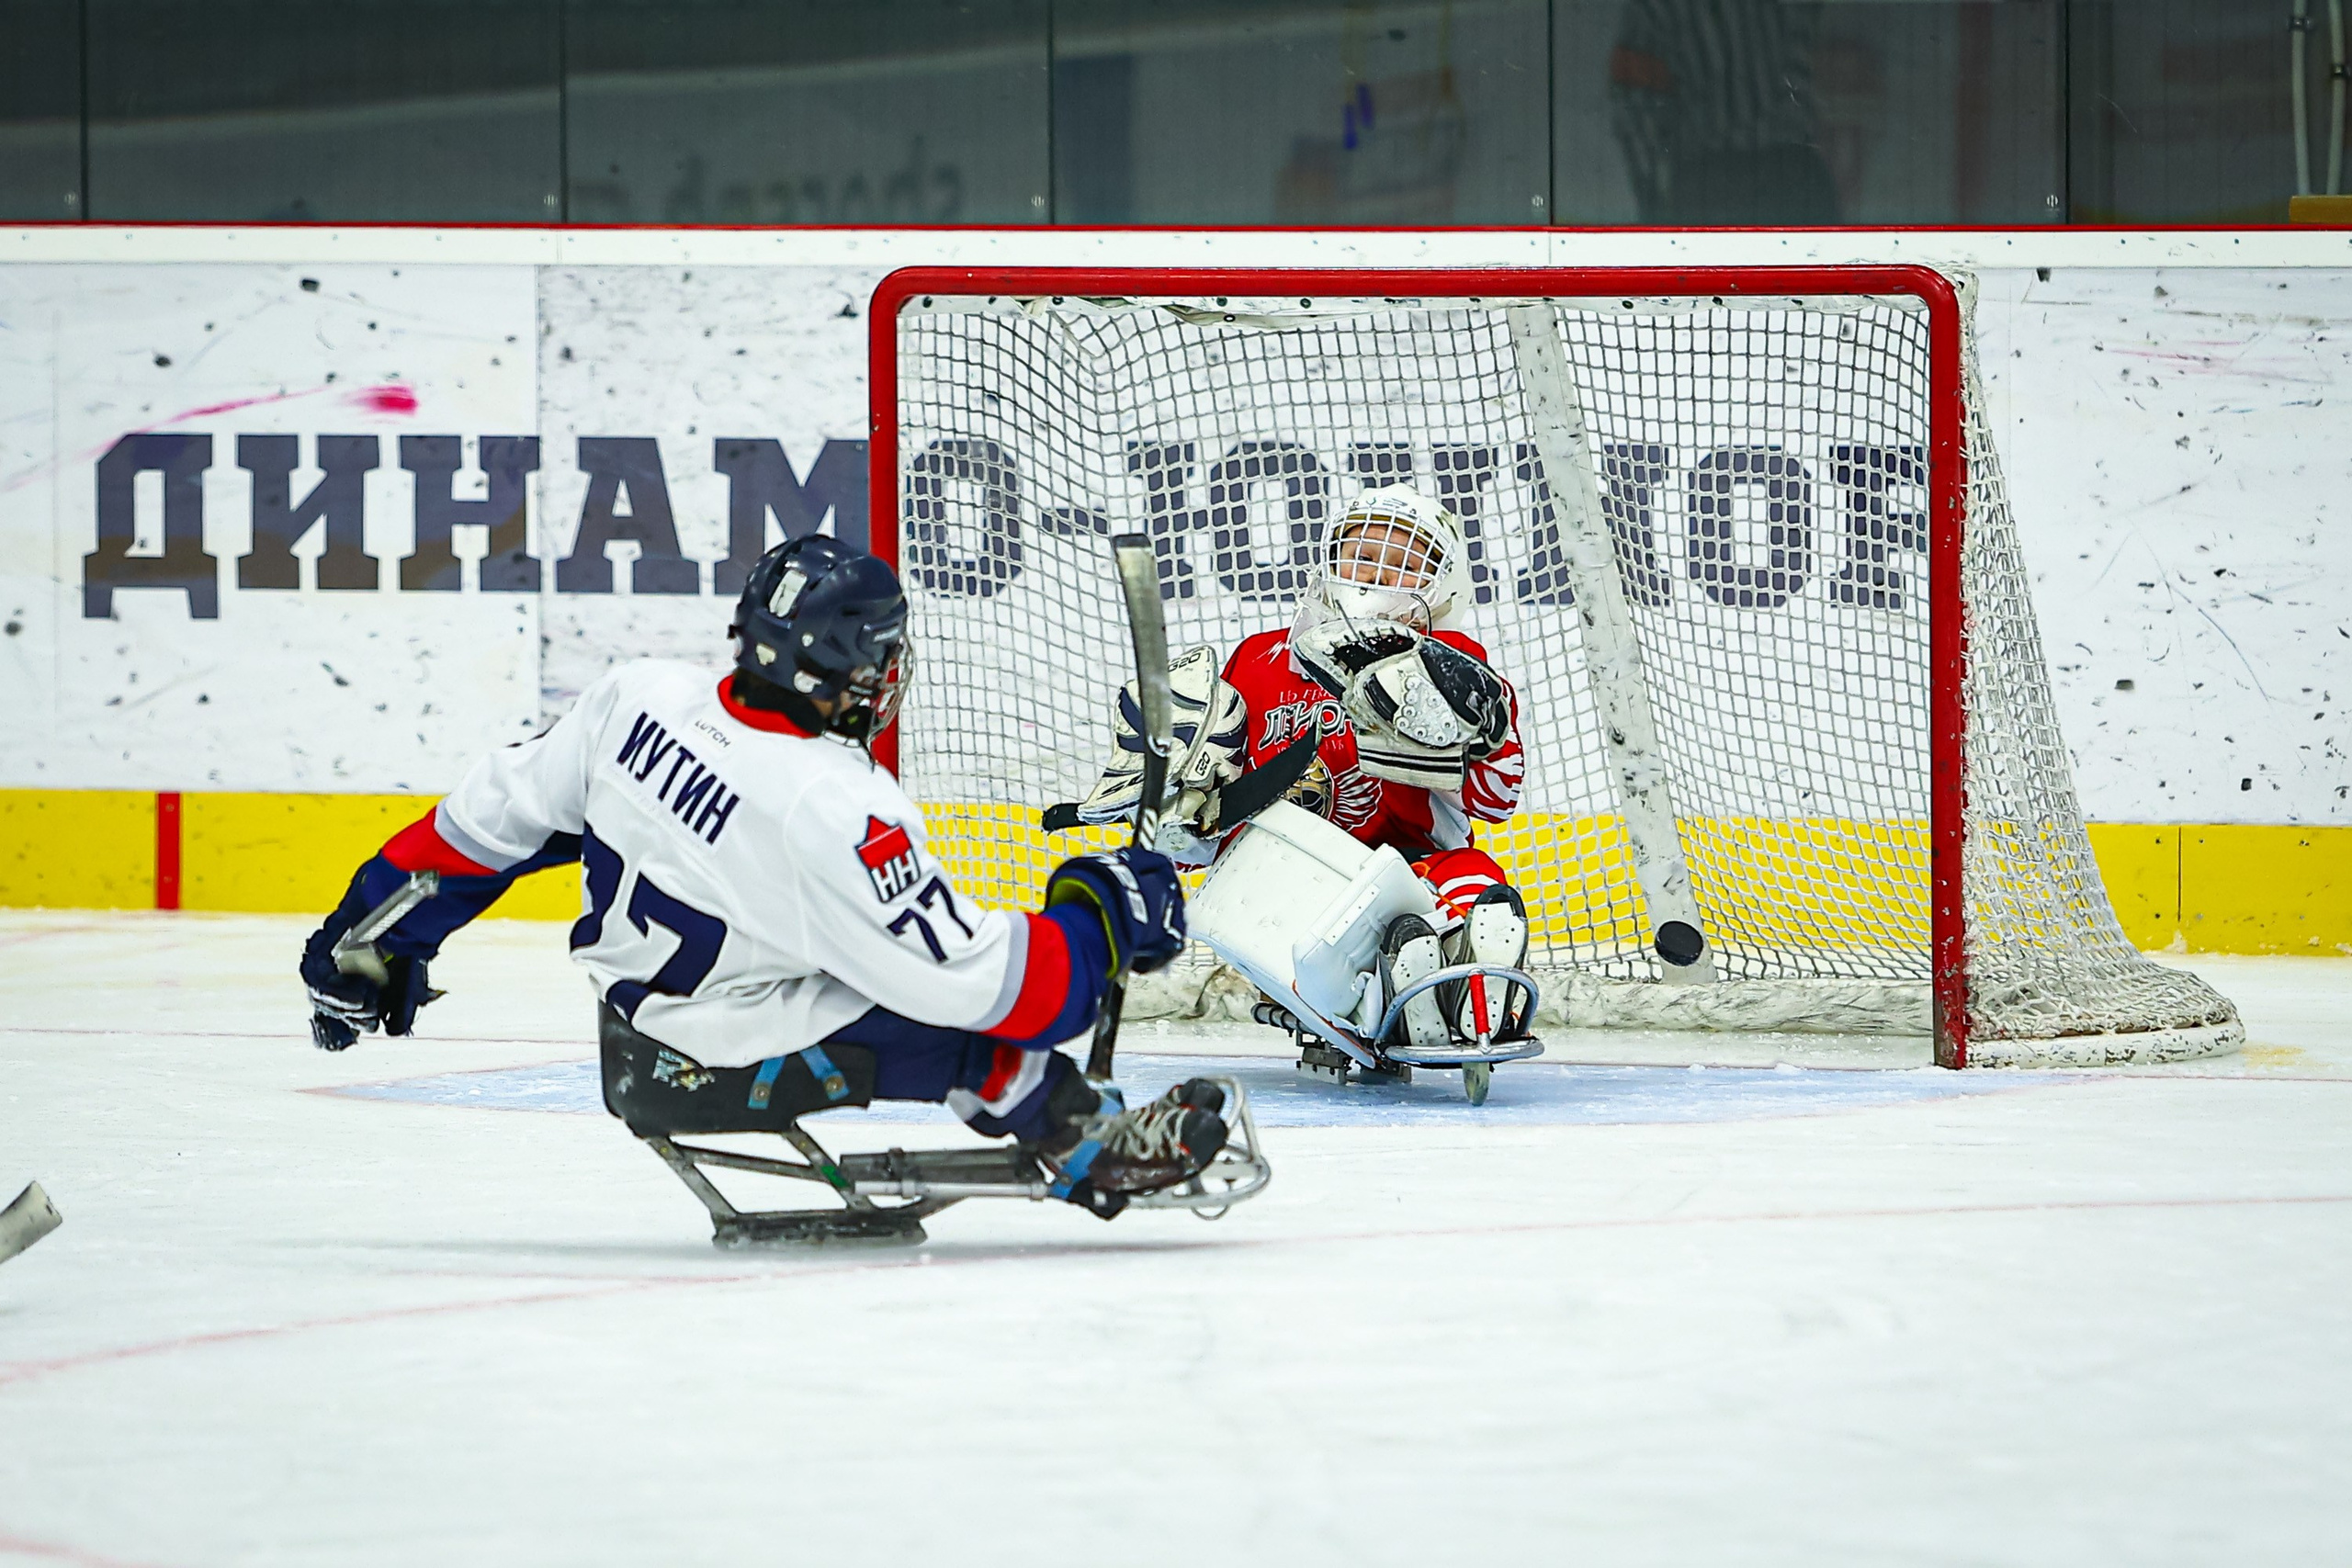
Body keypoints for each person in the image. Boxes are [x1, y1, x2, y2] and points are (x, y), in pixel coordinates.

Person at [300, 536, 1227, 1220]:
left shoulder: (637, 697)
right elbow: (1010, 993)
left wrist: (360, 949)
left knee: (888, 962)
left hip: (630, 1029)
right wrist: (1105, 909)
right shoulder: (832, 806)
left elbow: (482, 829)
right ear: (851, 666)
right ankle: (1086, 1145)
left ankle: (1070, 1130)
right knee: (958, 1022)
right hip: (722, 1057)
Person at [1080, 484, 1532, 1050]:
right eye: (1363, 556)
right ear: (1329, 559)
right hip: (1282, 888)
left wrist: (1486, 736)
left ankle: (1455, 994)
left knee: (1476, 882)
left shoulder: (1454, 663)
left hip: (1407, 874)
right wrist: (1176, 804)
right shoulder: (1258, 660)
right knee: (1376, 929)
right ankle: (1404, 981)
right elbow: (1197, 847)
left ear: (1438, 587)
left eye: (1401, 564)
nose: (1375, 576)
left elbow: (1495, 803)